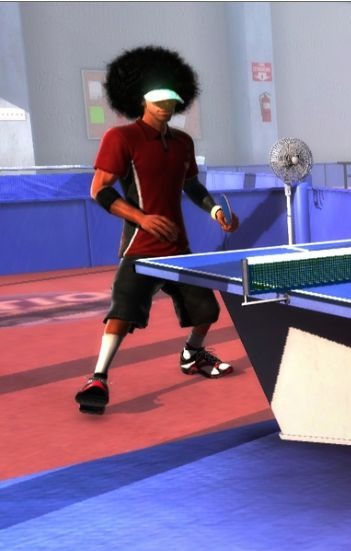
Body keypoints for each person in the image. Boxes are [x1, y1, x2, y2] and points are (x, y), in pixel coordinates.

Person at [75, 45, 239, 415]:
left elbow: (191, 185)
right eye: (159, 99)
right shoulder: (120, 138)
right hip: (140, 247)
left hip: (178, 248)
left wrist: (215, 210)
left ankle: (192, 354)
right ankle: (98, 377)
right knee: (121, 314)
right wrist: (142, 218)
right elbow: (99, 189)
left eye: (172, 100)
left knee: (206, 311)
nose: (166, 106)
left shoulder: (183, 142)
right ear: (142, 99)